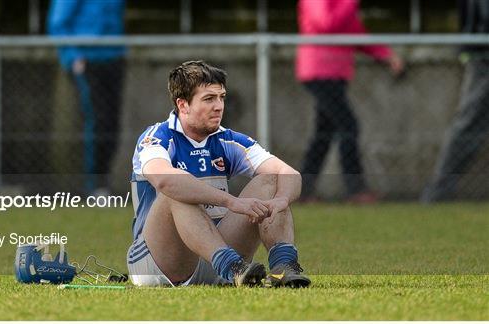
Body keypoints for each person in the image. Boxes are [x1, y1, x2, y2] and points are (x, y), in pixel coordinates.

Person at [127, 61, 311, 288]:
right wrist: (231, 202)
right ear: (183, 105)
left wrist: (281, 200)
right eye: (208, 99)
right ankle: (232, 267)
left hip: (218, 258)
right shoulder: (157, 137)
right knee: (176, 191)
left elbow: (288, 173)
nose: (219, 106)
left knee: (270, 181)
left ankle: (283, 267)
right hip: (159, 264)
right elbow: (165, 180)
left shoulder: (228, 140)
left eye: (221, 97)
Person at [296, 0, 404, 203]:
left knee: (324, 134)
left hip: (336, 75)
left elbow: (355, 32)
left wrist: (387, 55)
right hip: (320, 73)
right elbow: (326, 23)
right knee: (349, 126)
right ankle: (355, 190)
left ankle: (304, 190)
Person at [47, 0, 126, 194]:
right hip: (87, 61)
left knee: (112, 122)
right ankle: (95, 185)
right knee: (98, 119)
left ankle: (104, 182)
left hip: (113, 58)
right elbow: (57, 24)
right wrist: (73, 56)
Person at [421, 0, 489, 202]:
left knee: (468, 124)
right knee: (469, 124)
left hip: (480, 52)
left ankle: (438, 190)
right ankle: (438, 191)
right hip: (484, 56)